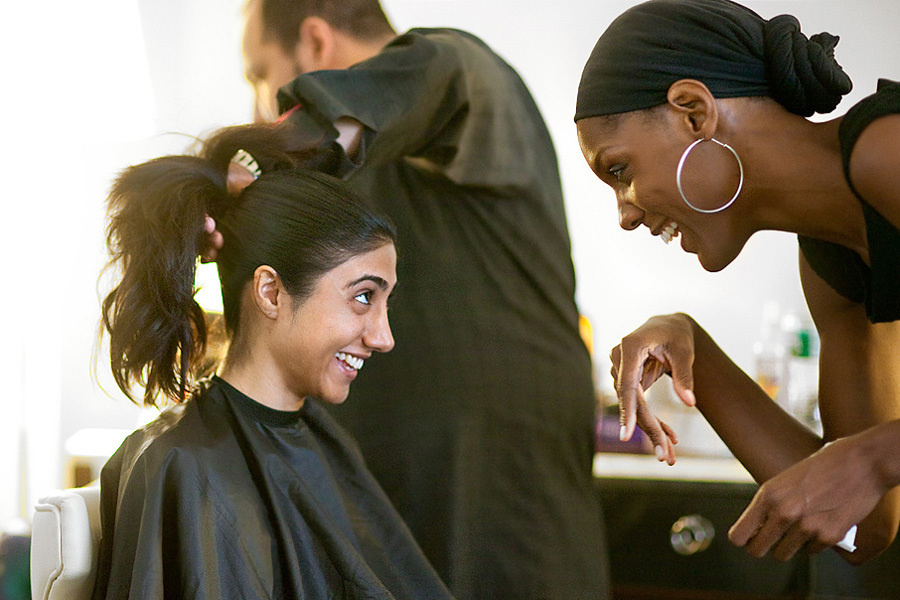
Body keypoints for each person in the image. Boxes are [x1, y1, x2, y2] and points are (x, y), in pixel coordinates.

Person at [208, 1, 612, 598]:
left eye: (261, 75)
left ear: (316, 44)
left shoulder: (465, 76)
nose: (258, 106)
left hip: (503, 520)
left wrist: (260, 157)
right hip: (382, 525)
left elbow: (421, 83)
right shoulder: (326, 193)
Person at [574, 0, 900, 566]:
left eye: (619, 171)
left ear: (694, 113)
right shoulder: (832, 264)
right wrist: (692, 348)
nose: (625, 215)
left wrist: (877, 458)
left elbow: (873, 469)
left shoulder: (888, 153)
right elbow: (866, 528)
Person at [91, 122, 454, 599]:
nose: (383, 337)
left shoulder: (326, 442)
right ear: (271, 292)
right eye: (363, 297)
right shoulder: (182, 465)